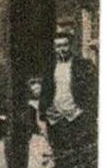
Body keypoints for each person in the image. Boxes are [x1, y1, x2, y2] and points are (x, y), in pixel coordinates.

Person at [42, 30, 98, 160]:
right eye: (58, 46)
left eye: (65, 45)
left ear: (71, 46)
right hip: (55, 118)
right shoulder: (50, 67)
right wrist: (45, 112)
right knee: (58, 156)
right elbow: (45, 92)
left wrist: (87, 112)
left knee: (77, 156)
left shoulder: (83, 65)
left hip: (76, 115)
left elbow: (93, 91)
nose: (62, 49)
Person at [24, 75, 55, 168]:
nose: (37, 91)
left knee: (48, 151)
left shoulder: (46, 102)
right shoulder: (32, 104)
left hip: (46, 127)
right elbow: (31, 119)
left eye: (38, 89)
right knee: (38, 151)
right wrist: (36, 129)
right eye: (34, 90)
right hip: (38, 131)